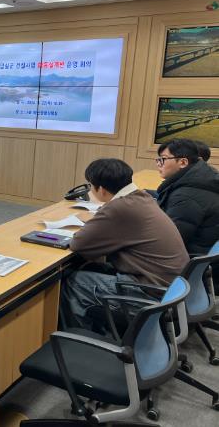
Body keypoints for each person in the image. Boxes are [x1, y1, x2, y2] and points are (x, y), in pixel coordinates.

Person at [62, 158, 188, 330]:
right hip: (171, 289)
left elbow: (78, 243)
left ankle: (77, 338)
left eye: (91, 186)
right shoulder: (143, 197)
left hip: (152, 294)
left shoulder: (119, 207)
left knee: (75, 282)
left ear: (101, 189)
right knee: (91, 267)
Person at [155, 138, 219, 256]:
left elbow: (168, 242)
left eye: (163, 159)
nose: (158, 164)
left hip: (185, 257)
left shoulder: (186, 197)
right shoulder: (202, 177)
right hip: (198, 252)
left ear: (183, 162)